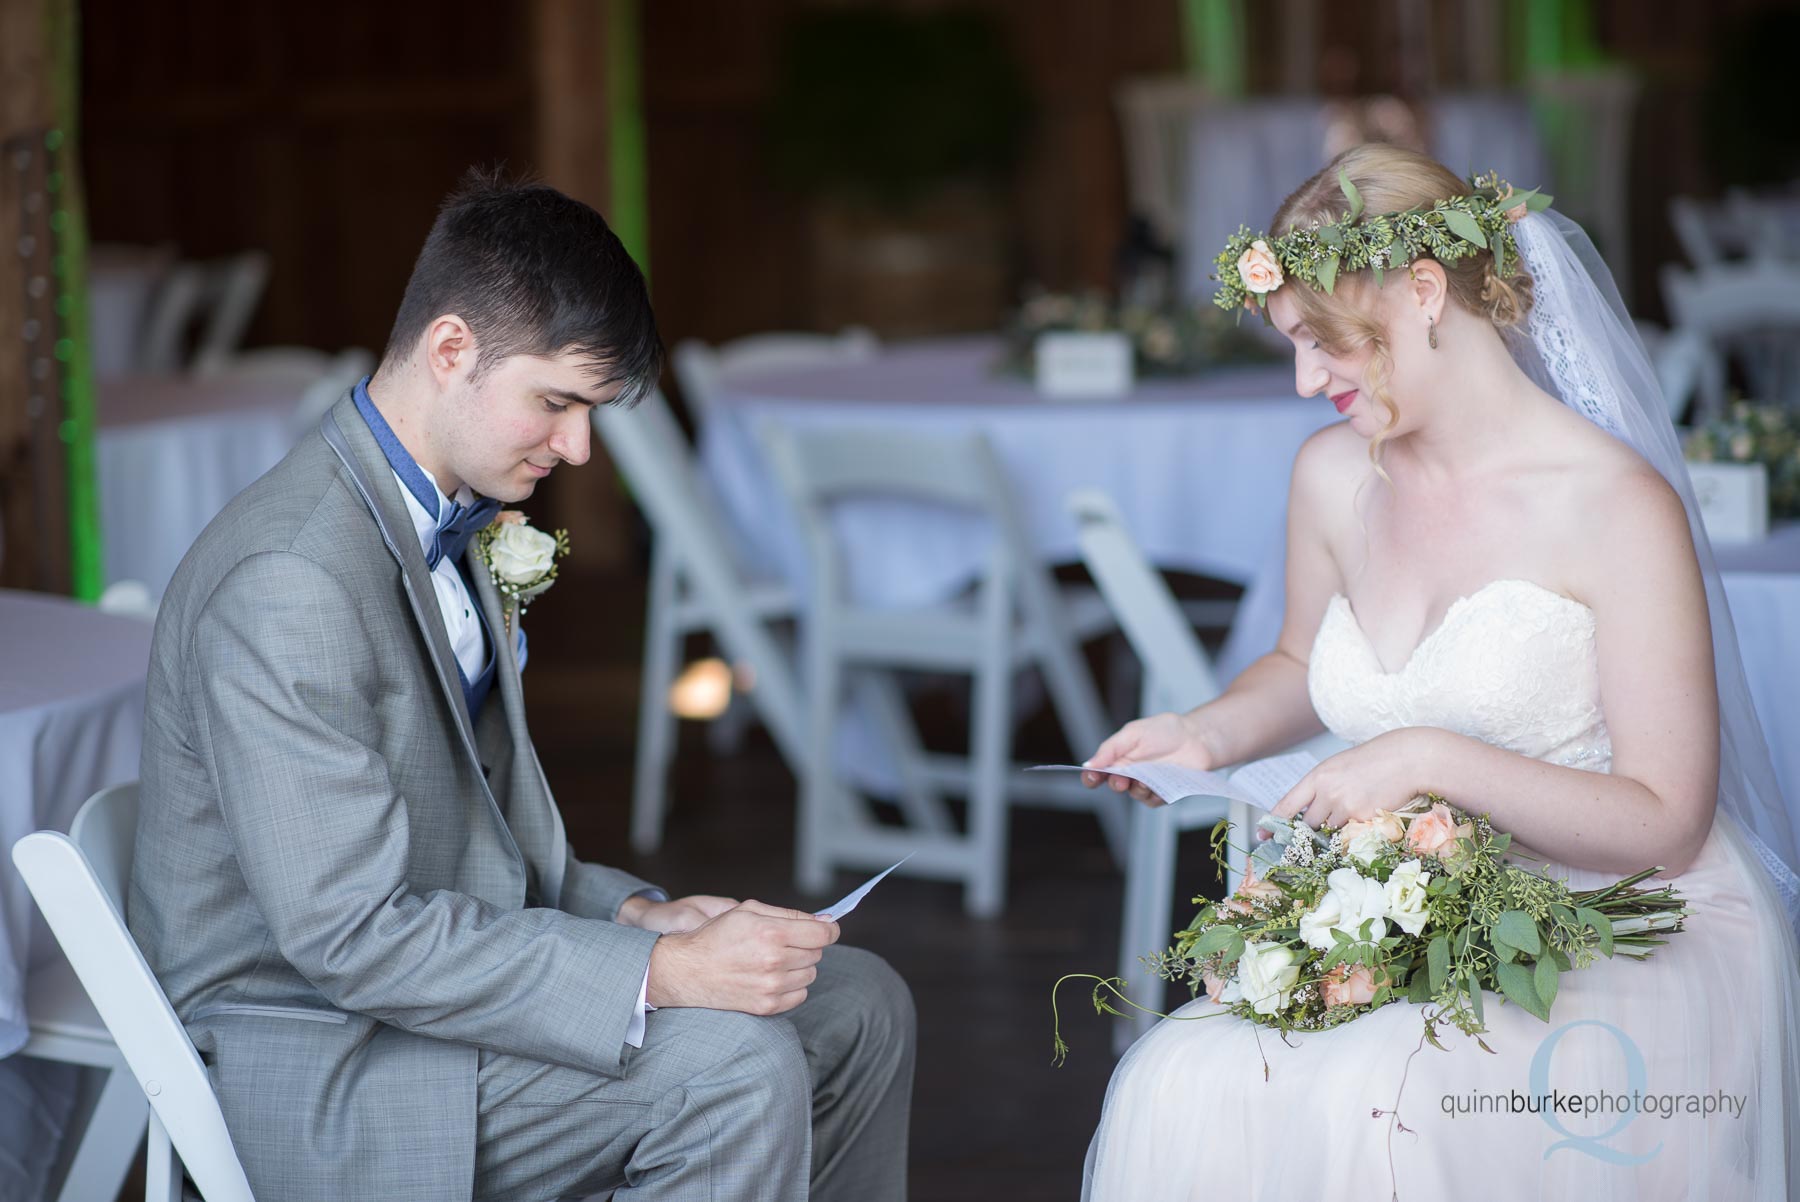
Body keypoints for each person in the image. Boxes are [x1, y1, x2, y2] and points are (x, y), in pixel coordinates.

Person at [129, 170, 914, 1202]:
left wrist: (641, 919)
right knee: (732, 1068)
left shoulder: (441, 511)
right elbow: (352, 936)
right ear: (452, 350)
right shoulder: (290, 580)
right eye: (558, 402)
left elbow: (469, 841)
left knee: (858, 997)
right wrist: (661, 979)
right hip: (326, 1053)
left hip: (422, 999)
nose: (581, 447)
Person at [1078, 144, 1800, 1198]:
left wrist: (1424, 757)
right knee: (1179, 1075)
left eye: (1324, 342)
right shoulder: (1330, 475)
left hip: (1618, 917)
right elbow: (1296, 656)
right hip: (1410, 897)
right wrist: (1207, 733)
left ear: (1422, 291)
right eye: (1291, 346)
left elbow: (1667, 819)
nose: (1303, 380)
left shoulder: (1610, 504)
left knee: (1389, 1106)